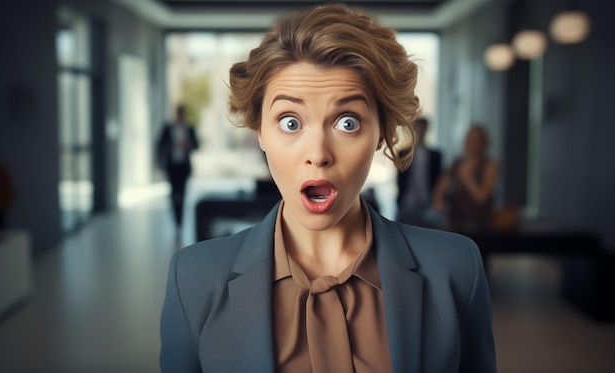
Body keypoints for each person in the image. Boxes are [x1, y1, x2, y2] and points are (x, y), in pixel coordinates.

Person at [160, 4, 496, 373]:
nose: (318, 155)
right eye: (290, 122)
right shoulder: (192, 278)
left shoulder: (455, 268)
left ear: (381, 132)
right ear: (260, 133)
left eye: (347, 122)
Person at [433, 125, 499, 232]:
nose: (471, 145)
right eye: (469, 140)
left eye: (475, 141)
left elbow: (482, 198)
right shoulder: (457, 164)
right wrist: (439, 202)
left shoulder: (490, 166)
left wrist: (467, 176)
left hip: (480, 225)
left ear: (483, 143)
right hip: (456, 221)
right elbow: (440, 188)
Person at [156, 105, 199, 231]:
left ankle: (180, 221)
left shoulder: (189, 129)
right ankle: (176, 220)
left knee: (183, 193)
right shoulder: (168, 129)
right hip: (172, 167)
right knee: (173, 194)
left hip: (184, 167)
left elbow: (196, 145)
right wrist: (160, 163)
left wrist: (188, 144)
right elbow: (160, 146)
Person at [396, 117, 442, 226]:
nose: (420, 132)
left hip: (428, 201)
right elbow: (400, 179)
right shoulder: (403, 153)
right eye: (418, 129)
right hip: (408, 201)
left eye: (423, 129)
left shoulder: (436, 156)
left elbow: (438, 180)